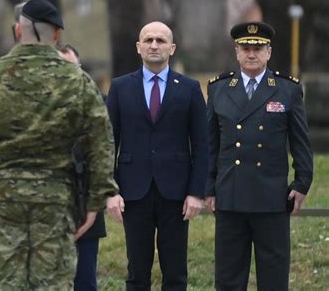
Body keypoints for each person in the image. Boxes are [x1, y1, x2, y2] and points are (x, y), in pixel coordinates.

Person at [0, 0, 118, 290]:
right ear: (58, 35)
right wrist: (94, 202)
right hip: (56, 200)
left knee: (7, 283)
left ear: (17, 31)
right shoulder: (78, 81)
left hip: (3, 201)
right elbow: (101, 144)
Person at [205, 21, 313, 291]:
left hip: (272, 198)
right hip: (230, 197)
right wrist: (209, 188)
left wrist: (302, 183)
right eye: (245, 47)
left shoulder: (287, 89)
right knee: (229, 278)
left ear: (268, 52)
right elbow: (210, 146)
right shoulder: (218, 89)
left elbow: (301, 142)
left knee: (274, 278)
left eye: (258, 48)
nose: (251, 53)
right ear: (236, 51)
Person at [106, 21, 209, 291]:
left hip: (176, 195)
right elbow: (108, 143)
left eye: (161, 40)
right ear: (138, 47)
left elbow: (202, 145)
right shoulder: (119, 88)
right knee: (136, 273)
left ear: (172, 48)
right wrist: (110, 190)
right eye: (148, 40)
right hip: (132, 192)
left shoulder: (189, 89)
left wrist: (196, 192)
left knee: (176, 275)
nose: (154, 45)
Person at [58, 43, 107, 291]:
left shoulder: (99, 103)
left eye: (73, 67)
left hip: (84, 204)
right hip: (45, 208)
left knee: (85, 281)